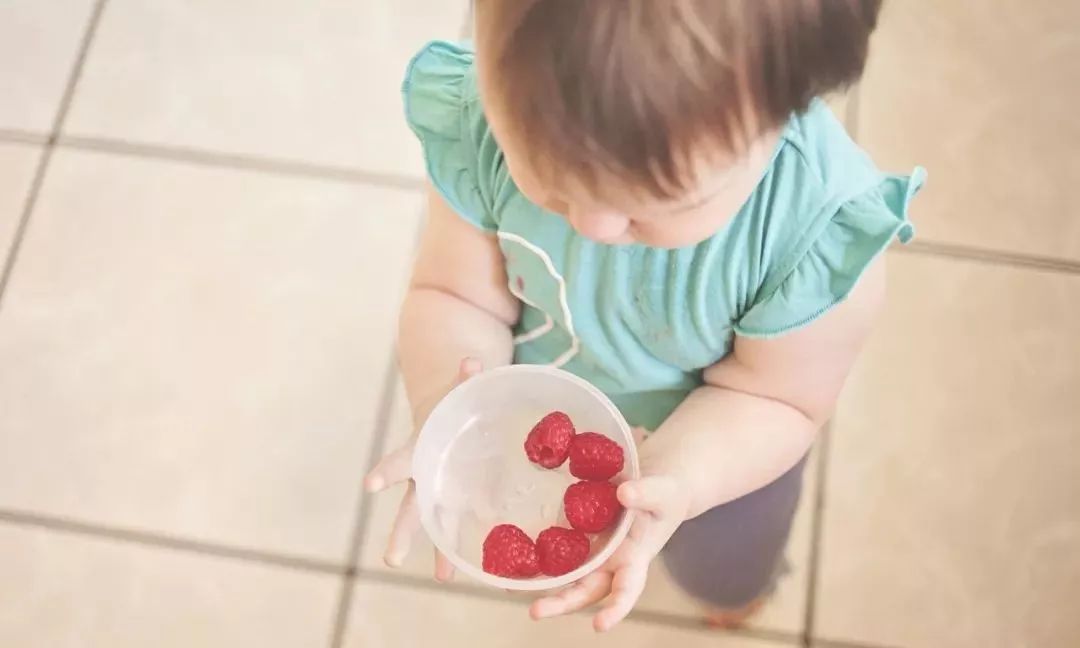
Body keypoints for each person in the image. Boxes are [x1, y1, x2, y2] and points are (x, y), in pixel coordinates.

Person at [364, 0, 924, 632]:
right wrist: (447, 402)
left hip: (722, 451)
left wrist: (682, 479)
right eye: (549, 179)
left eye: (654, 205)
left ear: (787, 109)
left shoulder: (814, 235)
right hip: (549, 407)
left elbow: (780, 399)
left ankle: (734, 598)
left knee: (724, 564)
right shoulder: (487, 121)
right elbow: (456, 294)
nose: (592, 225)